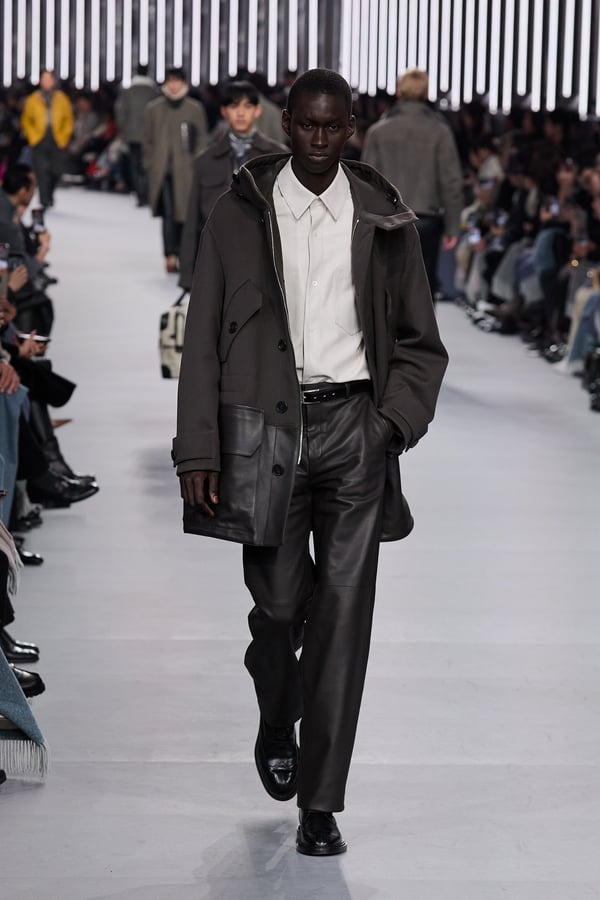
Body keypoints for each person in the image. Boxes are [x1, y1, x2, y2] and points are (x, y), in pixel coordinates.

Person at [173, 69, 448, 856]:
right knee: (278, 608)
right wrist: (199, 447)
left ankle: (320, 805)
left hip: (356, 431)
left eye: (334, 127)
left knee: (342, 623)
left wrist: (390, 426)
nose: (320, 140)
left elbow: (421, 343)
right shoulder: (239, 212)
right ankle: (276, 713)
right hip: (266, 431)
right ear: (286, 124)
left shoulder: (385, 218)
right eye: (308, 126)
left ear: (351, 127)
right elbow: (203, 336)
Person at [361, 68, 463, 299]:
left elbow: (367, 181)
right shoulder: (440, 132)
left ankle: (388, 323)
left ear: (399, 92)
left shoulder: (378, 132)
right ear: (426, 94)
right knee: (423, 288)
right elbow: (451, 182)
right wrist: (452, 226)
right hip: (427, 220)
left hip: (387, 219)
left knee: (387, 286)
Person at [178, 80, 286, 291]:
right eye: (234, 106)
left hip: (262, 263)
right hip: (216, 261)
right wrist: (187, 276)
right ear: (224, 111)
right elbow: (193, 221)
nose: (241, 113)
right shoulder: (205, 161)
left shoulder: (278, 159)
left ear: (257, 111)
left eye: (247, 106)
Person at [142, 67, 209, 274]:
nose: (173, 85)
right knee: (168, 213)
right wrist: (150, 163)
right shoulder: (154, 109)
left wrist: (198, 163)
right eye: (170, 81)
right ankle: (170, 254)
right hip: (162, 170)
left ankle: (184, 253)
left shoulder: (194, 109)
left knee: (187, 214)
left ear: (184, 83)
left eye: (177, 81)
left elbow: (202, 138)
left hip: (187, 170)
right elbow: (147, 139)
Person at [20, 70, 74, 209]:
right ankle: (44, 199)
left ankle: (48, 193)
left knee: (57, 170)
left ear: (54, 81)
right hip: (38, 138)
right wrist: (32, 136)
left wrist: (64, 136)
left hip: (57, 137)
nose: (46, 81)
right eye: (44, 78)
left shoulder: (62, 98)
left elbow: (68, 119)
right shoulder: (33, 99)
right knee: (41, 170)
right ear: (40, 81)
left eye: (49, 78)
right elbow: (26, 120)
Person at [114, 64, 159, 206]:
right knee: (148, 165)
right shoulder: (154, 92)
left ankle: (140, 195)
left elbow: (121, 112)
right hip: (151, 134)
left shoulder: (128, 91)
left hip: (132, 134)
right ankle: (148, 194)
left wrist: (124, 129)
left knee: (135, 165)